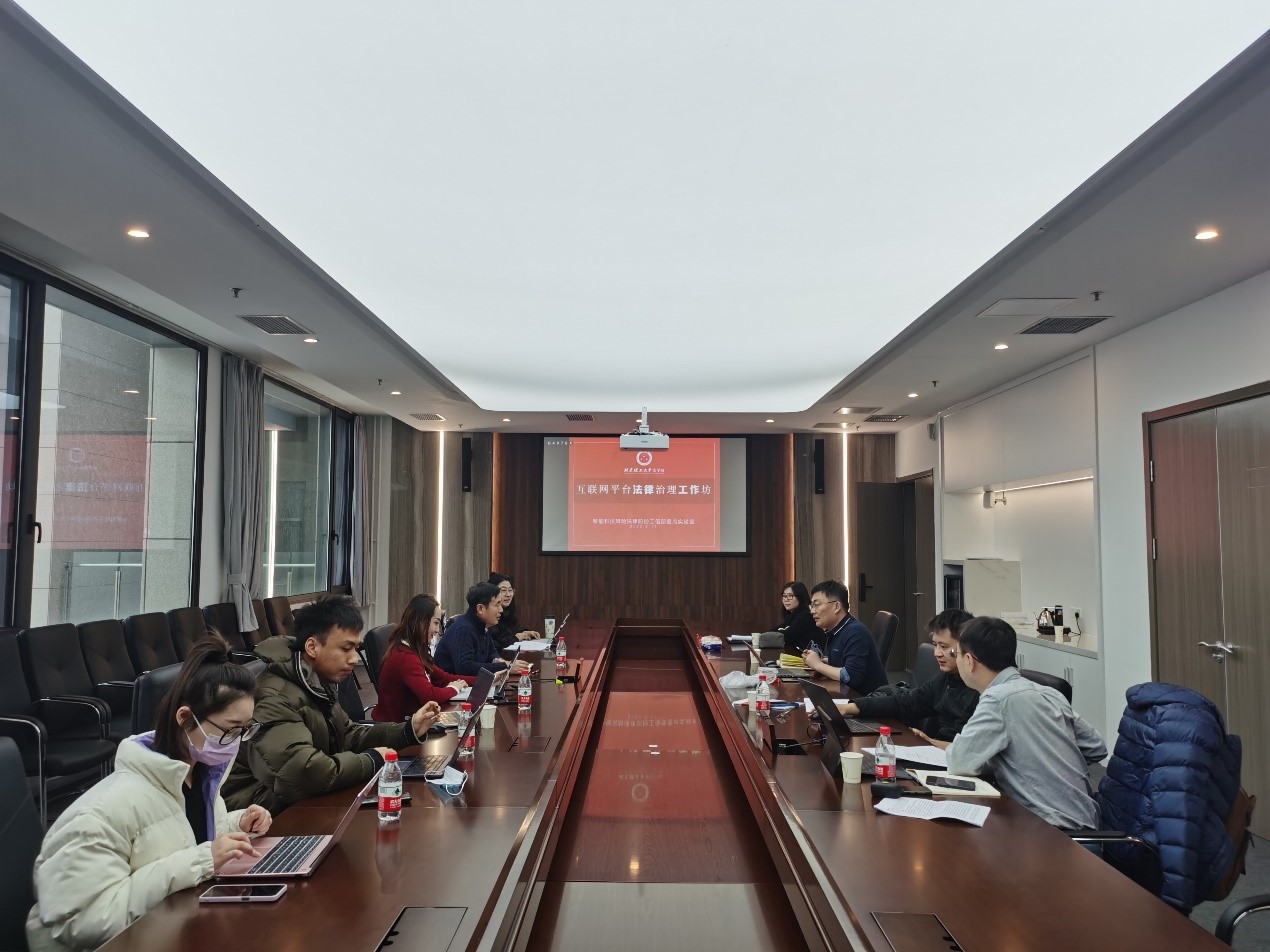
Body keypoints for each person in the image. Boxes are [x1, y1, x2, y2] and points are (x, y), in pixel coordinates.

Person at [27, 635, 273, 952]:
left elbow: (181, 835)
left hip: (176, 931)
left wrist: (237, 825)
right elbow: (82, 924)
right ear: (185, 718)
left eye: (245, 730)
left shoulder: (195, 775)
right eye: (230, 730)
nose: (236, 742)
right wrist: (200, 861)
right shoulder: (100, 814)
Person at [222, 595, 441, 813]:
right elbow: (301, 773)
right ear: (312, 647)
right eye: (346, 648)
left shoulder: (314, 681)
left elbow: (348, 736)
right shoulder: (273, 698)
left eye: (356, 648)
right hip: (261, 814)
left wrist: (408, 730)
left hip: (299, 801)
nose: (354, 659)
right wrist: (372, 760)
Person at [944, 616, 1106, 829]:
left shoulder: (998, 699)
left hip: (1055, 833)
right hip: (1085, 823)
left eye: (955, 654)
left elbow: (958, 761)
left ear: (969, 661)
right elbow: (1096, 747)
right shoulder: (1048, 693)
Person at [836, 608, 977, 741]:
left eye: (944, 647)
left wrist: (931, 743)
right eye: (935, 645)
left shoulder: (978, 690)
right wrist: (851, 707)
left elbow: (966, 747)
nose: (937, 653)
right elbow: (906, 701)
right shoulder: (946, 678)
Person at [372, 593, 474, 721]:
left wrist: (481, 681)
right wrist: (454, 688)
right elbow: (429, 696)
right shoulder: (406, 657)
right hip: (396, 728)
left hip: (411, 721)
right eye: (435, 623)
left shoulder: (415, 649)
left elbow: (443, 678)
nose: (437, 630)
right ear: (420, 622)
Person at [800, 579, 888, 695]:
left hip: (866, 700)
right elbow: (844, 661)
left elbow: (851, 677)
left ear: (836, 606)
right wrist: (823, 661)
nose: (812, 611)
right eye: (811, 606)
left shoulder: (855, 632)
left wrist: (817, 664)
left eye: (817, 605)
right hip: (848, 696)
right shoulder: (836, 630)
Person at [435, 582, 535, 678]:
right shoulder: (463, 629)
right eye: (497, 604)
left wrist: (498, 660)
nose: (501, 610)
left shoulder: (482, 625)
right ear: (480, 609)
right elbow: (466, 668)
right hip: (452, 687)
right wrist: (505, 666)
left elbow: (491, 652)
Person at [487, 572, 541, 650]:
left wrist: (527, 632)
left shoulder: (508, 612)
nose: (508, 595)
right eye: (503, 590)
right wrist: (516, 637)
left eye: (510, 590)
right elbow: (495, 645)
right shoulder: (489, 616)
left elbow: (515, 629)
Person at [776, 581, 817, 652]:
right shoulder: (791, 616)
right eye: (784, 596)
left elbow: (787, 636)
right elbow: (776, 630)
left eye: (790, 596)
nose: (786, 599)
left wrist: (781, 631)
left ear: (800, 597)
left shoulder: (806, 616)